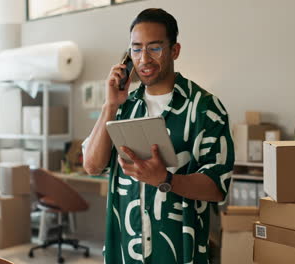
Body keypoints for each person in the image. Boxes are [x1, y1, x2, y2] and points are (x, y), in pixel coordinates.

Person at [83, 8, 235, 264]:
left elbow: (217, 187)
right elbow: (92, 165)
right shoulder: (124, 107)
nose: (144, 59)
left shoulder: (205, 108)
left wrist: (166, 180)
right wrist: (110, 106)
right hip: (125, 252)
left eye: (154, 48)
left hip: (178, 252)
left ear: (174, 50)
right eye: (136, 49)